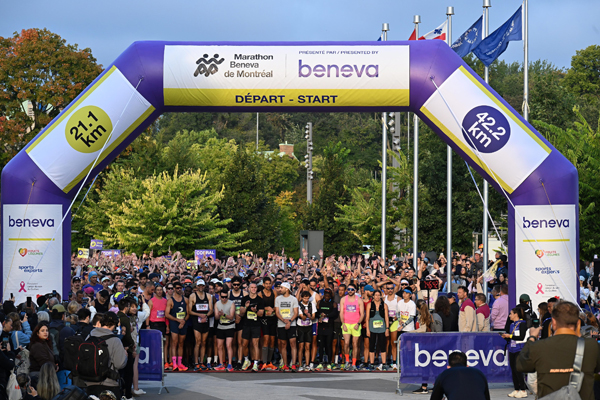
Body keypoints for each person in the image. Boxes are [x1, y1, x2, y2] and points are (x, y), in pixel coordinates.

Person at [518, 301, 600, 400]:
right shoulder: (591, 346)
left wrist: (531, 338)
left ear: (553, 323)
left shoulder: (539, 347)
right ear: (578, 323)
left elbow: (520, 365)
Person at [82, 312, 127, 398]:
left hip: (89, 382)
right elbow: (119, 364)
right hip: (109, 384)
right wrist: (125, 356)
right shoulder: (115, 340)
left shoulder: (89, 336)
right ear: (114, 324)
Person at [502, 307, 528, 398]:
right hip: (512, 349)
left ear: (516, 314)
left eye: (511, 314)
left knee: (518, 370)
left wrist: (510, 335)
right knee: (513, 370)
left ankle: (523, 390)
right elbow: (512, 336)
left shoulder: (522, 324)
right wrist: (507, 336)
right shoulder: (512, 325)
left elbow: (521, 337)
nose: (509, 316)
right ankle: (516, 389)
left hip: (519, 349)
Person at [188, 280, 213, 371]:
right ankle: (196, 362)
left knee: (204, 342)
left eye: (202, 285)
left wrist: (206, 315)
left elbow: (211, 309)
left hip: (205, 321)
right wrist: (199, 315)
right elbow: (189, 311)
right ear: (197, 286)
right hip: (197, 321)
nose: (201, 287)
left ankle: (202, 362)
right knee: (198, 342)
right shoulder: (193, 296)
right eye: (199, 286)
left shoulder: (208, 296)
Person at [340, 283, 364, 371]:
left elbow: (362, 314)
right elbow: (341, 313)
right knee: (346, 343)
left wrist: (358, 323)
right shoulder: (343, 299)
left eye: (352, 289)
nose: (350, 291)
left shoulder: (359, 300)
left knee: (355, 344)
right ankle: (347, 361)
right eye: (349, 289)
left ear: (355, 290)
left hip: (355, 324)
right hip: (346, 324)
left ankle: (353, 363)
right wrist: (343, 324)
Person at [274, 282, 299, 371]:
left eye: (282, 288)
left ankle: (293, 364)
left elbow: (296, 312)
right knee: (283, 344)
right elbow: (277, 312)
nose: (280, 289)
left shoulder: (293, 299)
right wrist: (284, 320)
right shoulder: (278, 299)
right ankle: (285, 364)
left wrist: (289, 321)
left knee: (293, 344)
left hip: (291, 324)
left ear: (287, 289)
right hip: (281, 324)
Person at [240, 282, 264, 371]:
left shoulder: (260, 300)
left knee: (255, 344)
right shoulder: (245, 299)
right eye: (252, 287)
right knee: (244, 344)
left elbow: (261, 314)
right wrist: (246, 307)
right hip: (246, 324)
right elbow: (241, 313)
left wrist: (255, 311)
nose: (253, 289)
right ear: (249, 289)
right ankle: (246, 360)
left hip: (256, 325)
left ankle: (256, 363)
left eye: (255, 287)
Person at [165, 282, 188, 371]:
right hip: (175, 323)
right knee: (174, 343)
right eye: (177, 288)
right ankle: (174, 363)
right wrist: (178, 321)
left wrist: (183, 321)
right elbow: (167, 314)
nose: (179, 289)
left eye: (180, 288)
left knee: (181, 343)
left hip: (183, 322)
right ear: (174, 289)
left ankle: (180, 363)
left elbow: (188, 312)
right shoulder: (170, 300)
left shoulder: (185, 299)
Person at [365, 290, 389, 371]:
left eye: (379, 295)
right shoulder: (369, 305)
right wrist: (367, 330)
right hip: (372, 328)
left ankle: (384, 363)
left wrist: (387, 329)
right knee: (372, 346)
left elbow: (386, 318)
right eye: (376, 295)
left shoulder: (384, 305)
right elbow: (367, 318)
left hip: (382, 328)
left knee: (382, 346)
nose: (377, 297)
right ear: (373, 296)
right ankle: (371, 363)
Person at [214, 288, 236, 372]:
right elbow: (216, 317)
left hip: (230, 326)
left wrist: (223, 314)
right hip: (221, 326)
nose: (224, 299)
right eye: (222, 297)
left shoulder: (231, 303)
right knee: (219, 346)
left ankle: (230, 364)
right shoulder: (217, 304)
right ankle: (221, 363)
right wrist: (219, 315)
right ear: (219, 296)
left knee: (228, 345)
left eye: (225, 297)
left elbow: (231, 317)